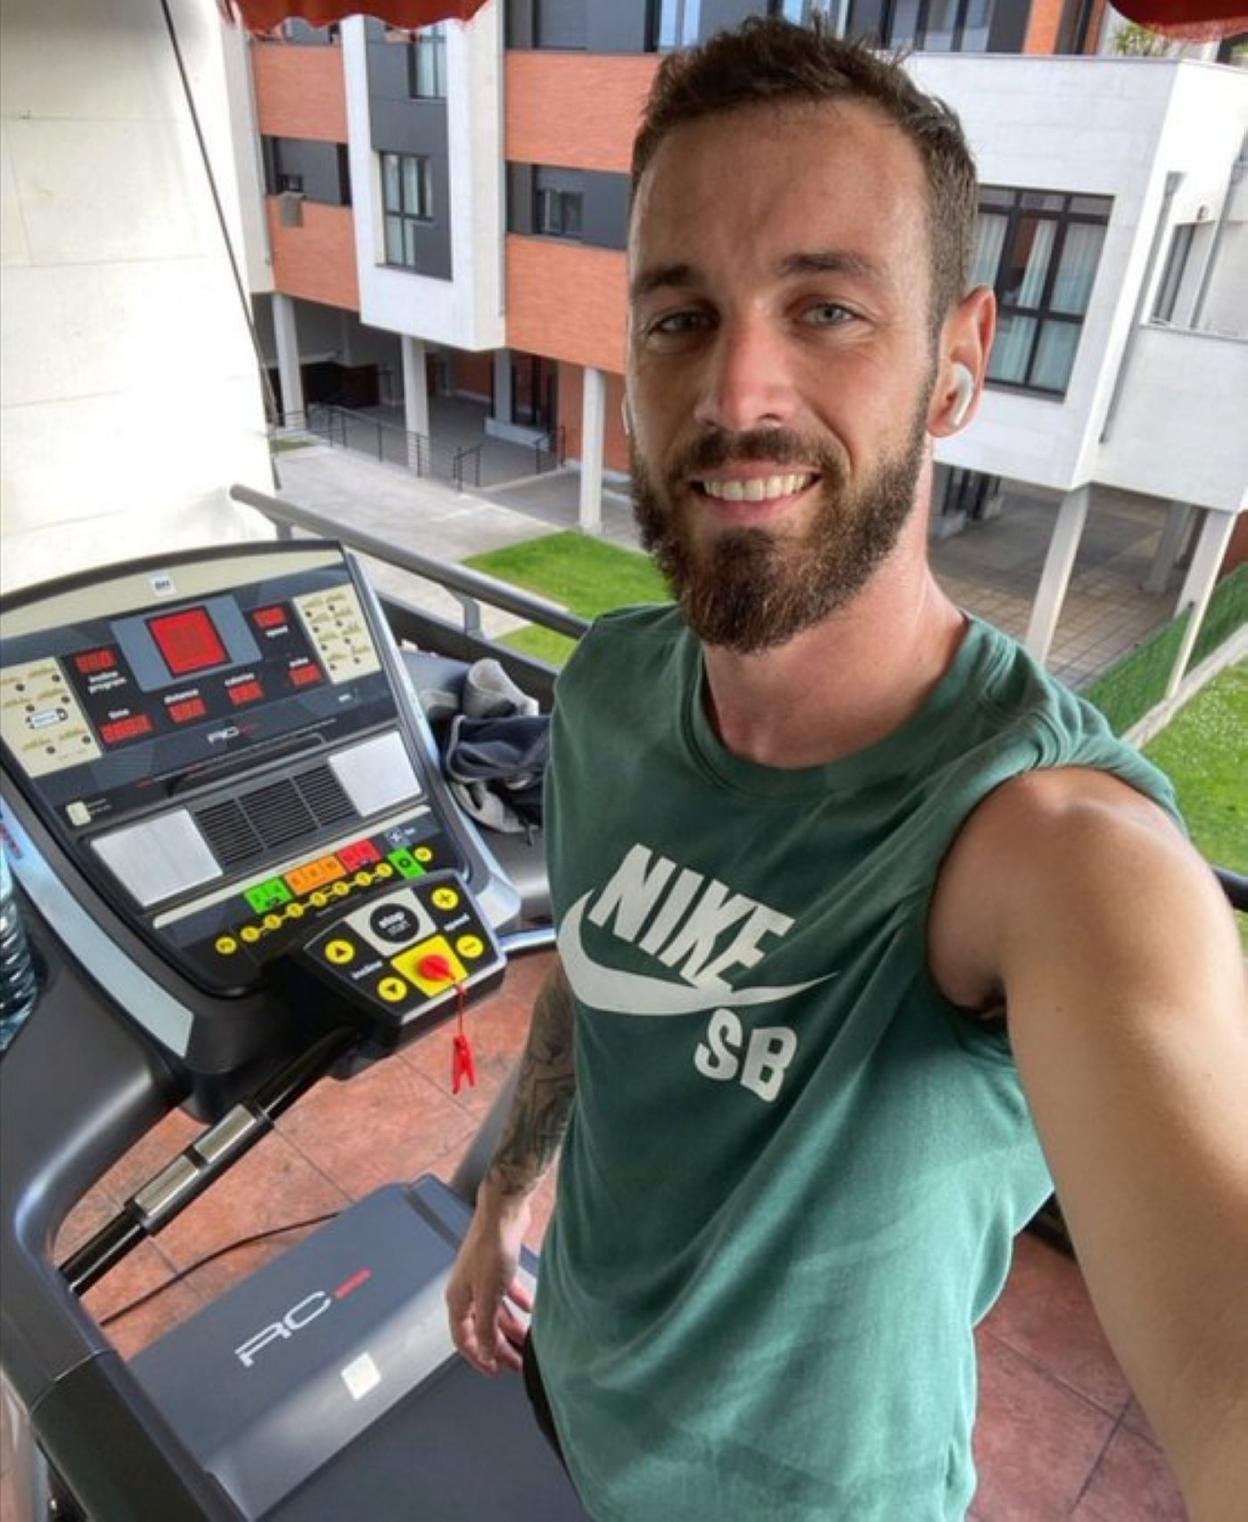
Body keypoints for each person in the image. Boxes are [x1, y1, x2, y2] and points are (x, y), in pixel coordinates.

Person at [446, 18, 1247, 1520]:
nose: (739, 391)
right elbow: (593, 979)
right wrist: (504, 1200)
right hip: (576, 1397)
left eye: (825, 308)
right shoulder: (610, 689)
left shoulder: (1046, 848)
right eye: (681, 316)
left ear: (957, 365)